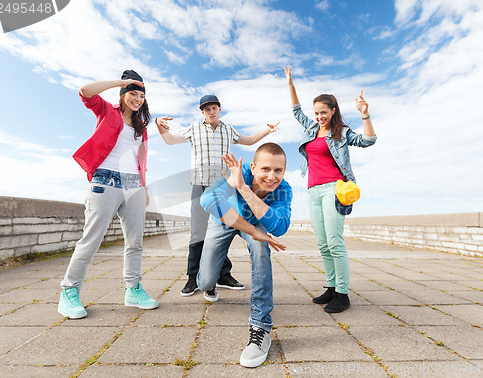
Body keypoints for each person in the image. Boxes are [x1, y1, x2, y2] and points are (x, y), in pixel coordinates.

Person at [155, 95, 278, 297]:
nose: (211, 112)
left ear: (219, 109)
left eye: (214, 108)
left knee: (222, 230)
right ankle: (193, 278)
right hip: (199, 185)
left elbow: (248, 140)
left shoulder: (228, 130)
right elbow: (169, 140)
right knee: (198, 233)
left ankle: (223, 275)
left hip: (222, 188)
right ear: (202, 112)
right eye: (206, 109)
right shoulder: (194, 129)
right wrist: (159, 125)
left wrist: (268, 130)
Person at [58, 70, 158, 319]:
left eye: (142, 95)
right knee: (91, 240)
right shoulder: (106, 111)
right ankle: (69, 292)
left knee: (135, 243)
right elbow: (85, 90)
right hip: (105, 182)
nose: (137, 99)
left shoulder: (141, 126)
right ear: (123, 94)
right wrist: (121, 83)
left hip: (133, 186)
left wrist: (144, 187)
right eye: (133, 93)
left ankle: (133, 289)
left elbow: (140, 161)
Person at [284, 66, 377, 313]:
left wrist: (365, 114)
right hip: (312, 190)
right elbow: (296, 111)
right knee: (323, 243)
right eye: (316, 113)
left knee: (335, 242)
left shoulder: (342, 133)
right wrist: (291, 84)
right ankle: (331, 287)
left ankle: (343, 294)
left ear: (333, 111)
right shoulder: (312, 129)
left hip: (334, 190)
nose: (319, 117)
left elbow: (368, 140)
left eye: (323, 112)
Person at [197, 143, 292, 368]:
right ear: (254, 167)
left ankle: (261, 325)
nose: (271, 176)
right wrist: (252, 230)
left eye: (278, 170)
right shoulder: (239, 172)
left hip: (254, 220)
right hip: (224, 219)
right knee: (206, 282)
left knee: (261, 249)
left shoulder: (283, 189)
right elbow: (207, 200)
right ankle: (211, 281)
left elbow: (279, 227)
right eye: (266, 169)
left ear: (284, 171)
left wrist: (244, 190)